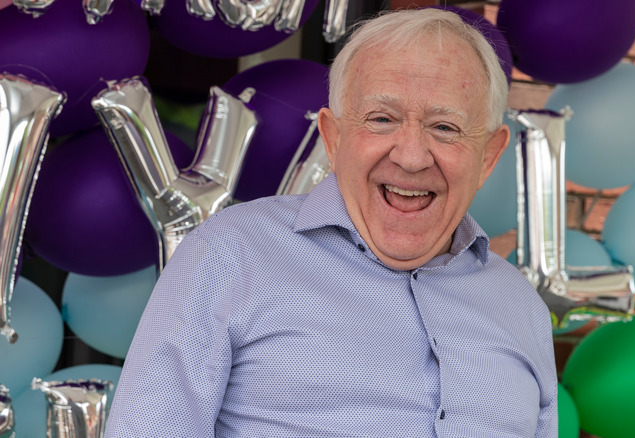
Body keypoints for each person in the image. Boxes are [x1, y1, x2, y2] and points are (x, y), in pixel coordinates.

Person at [105, 8, 557, 437]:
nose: (412, 157)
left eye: (445, 128)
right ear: (333, 138)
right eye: (382, 119)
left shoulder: (521, 307)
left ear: (489, 156)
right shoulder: (230, 254)